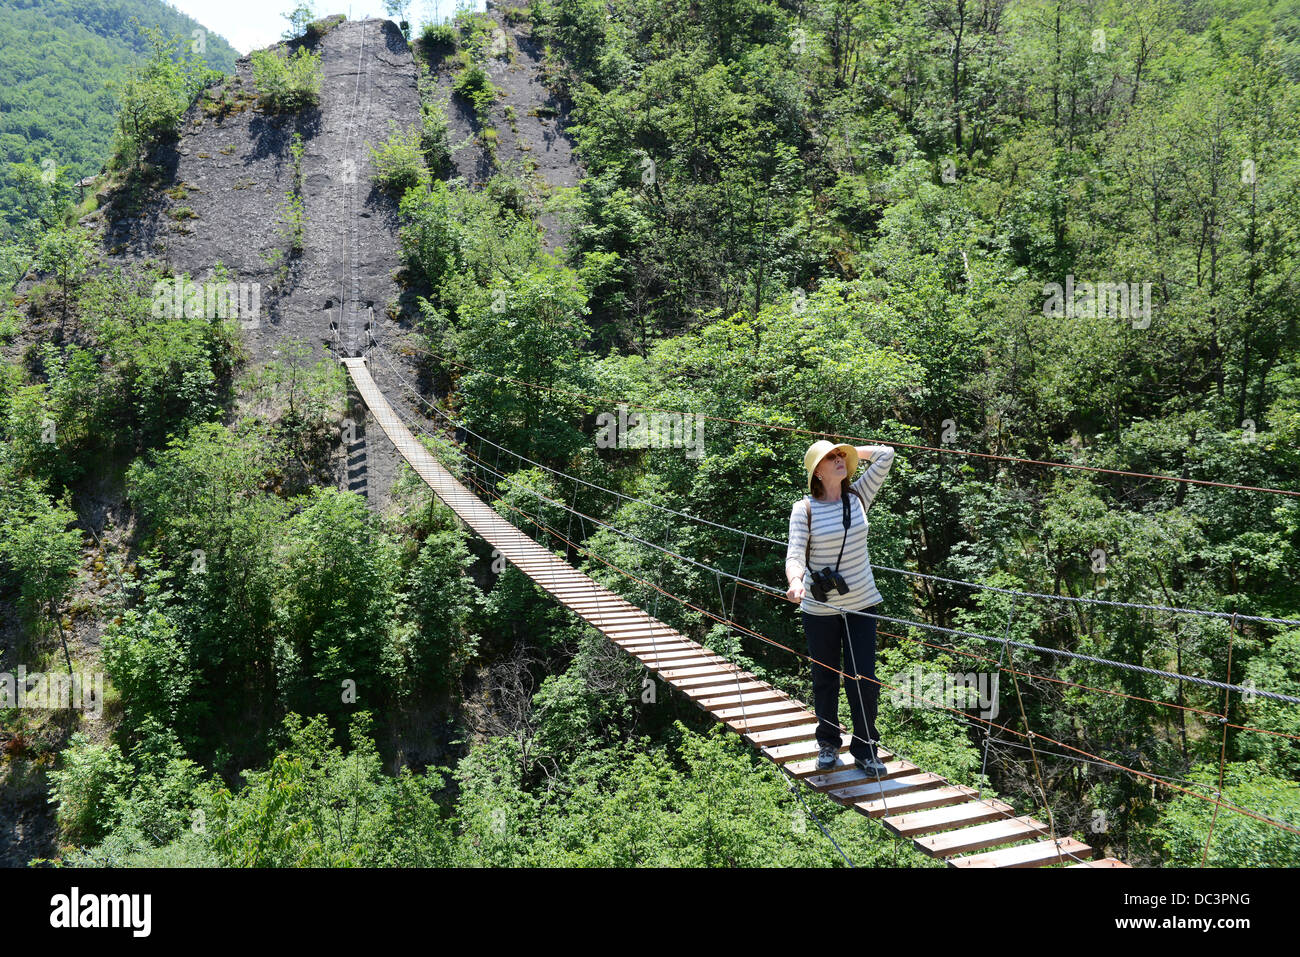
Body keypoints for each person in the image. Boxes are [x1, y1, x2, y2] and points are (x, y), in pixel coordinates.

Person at [785, 440, 895, 773]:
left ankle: (865, 748)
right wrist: (795, 581)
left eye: (839, 457)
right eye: (829, 459)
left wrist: (847, 450)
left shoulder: (859, 497)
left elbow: (886, 454)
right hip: (821, 610)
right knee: (825, 678)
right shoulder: (803, 509)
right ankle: (828, 743)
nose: (838, 461)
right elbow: (794, 553)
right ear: (816, 472)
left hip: (862, 604)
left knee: (864, 678)